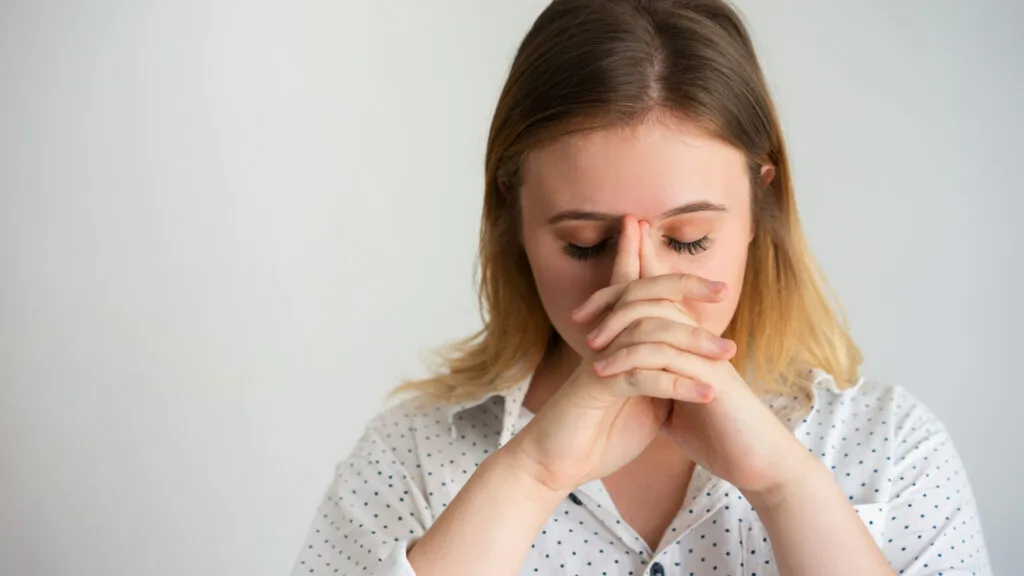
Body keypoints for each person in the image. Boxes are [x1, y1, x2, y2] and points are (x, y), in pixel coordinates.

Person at [290, 0, 992, 574]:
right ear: (515, 216)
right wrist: (530, 474)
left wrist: (786, 488)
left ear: (758, 206)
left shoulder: (889, 448)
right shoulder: (410, 456)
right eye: (584, 243)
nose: (636, 284)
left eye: (688, 238)